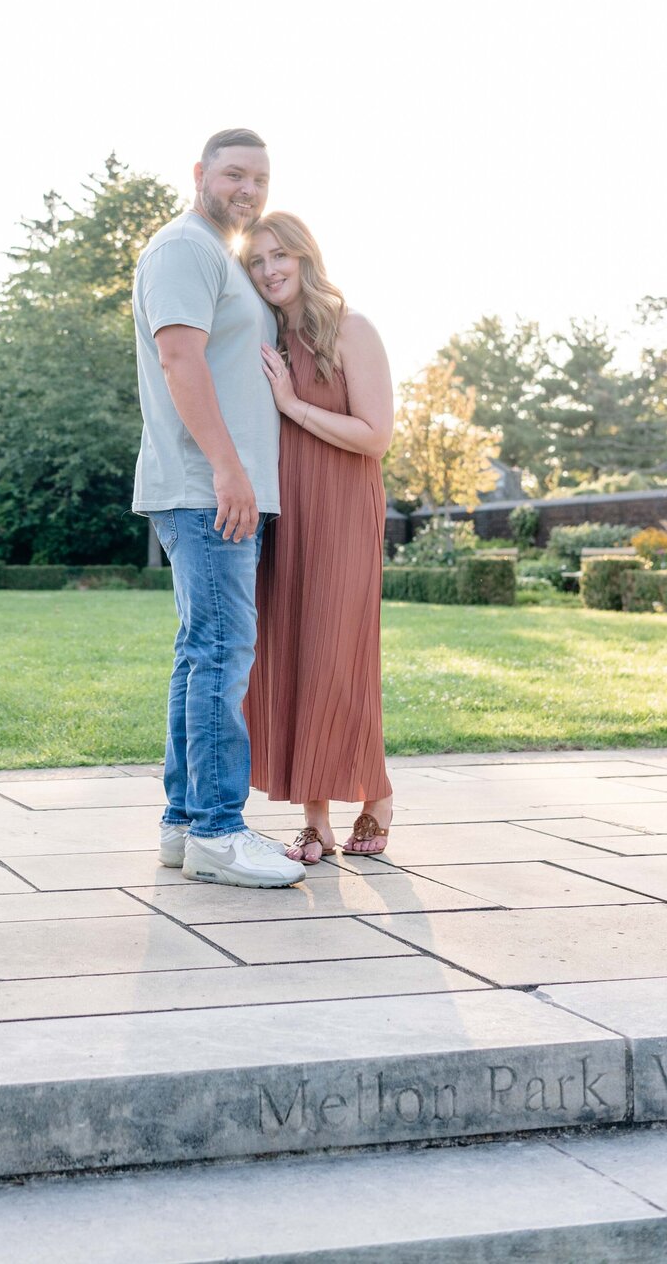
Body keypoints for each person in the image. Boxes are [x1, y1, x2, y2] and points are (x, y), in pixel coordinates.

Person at [132, 129, 303, 889]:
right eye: (235, 174)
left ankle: (182, 823)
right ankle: (216, 831)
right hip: (209, 492)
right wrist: (230, 470)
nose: (249, 190)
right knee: (222, 653)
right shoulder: (185, 249)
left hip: (219, 490)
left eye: (260, 179)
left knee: (202, 651)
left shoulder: (219, 255)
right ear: (200, 174)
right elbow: (179, 358)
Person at [243, 212, 395, 860]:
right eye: (257, 261)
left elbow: (376, 435)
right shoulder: (266, 339)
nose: (271, 269)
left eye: (280, 256)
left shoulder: (352, 329)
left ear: (306, 257)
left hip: (343, 511)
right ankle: (315, 819)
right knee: (297, 656)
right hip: (286, 515)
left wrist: (293, 407)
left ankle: (377, 795)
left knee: (340, 655)